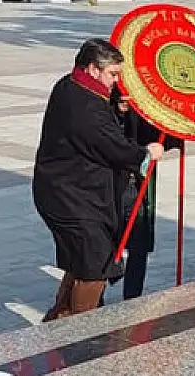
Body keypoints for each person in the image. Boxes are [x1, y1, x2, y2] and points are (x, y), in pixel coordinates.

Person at [33, 39, 165, 321]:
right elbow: (113, 146)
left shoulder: (71, 85)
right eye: (113, 75)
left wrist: (117, 110)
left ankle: (57, 321)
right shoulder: (86, 106)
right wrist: (146, 152)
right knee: (94, 264)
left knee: (81, 262)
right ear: (93, 69)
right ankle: (78, 333)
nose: (116, 82)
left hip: (71, 192)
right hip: (71, 197)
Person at [109, 86, 181, 300]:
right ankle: (96, 300)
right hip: (110, 187)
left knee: (139, 246)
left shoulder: (145, 106)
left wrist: (175, 130)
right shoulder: (102, 110)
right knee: (106, 243)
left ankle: (132, 299)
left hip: (139, 185)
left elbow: (160, 136)